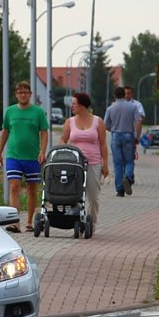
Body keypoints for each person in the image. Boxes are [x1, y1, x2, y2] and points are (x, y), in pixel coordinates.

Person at [0, 81, 49, 232]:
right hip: (13, 156)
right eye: (20, 92)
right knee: (14, 187)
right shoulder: (10, 111)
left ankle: (30, 221)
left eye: (26, 92)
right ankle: (14, 222)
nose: (23, 95)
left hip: (32, 157)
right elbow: (5, 132)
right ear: (16, 95)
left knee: (32, 189)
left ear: (30, 94)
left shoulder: (38, 112)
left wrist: (42, 151)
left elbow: (44, 132)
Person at [60, 92, 109, 235]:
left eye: (74, 104)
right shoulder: (70, 122)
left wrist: (105, 165)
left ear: (82, 105)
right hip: (74, 163)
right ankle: (76, 219)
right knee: (75, 194)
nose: (72, 106)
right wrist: (65, 148)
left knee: (93, 197)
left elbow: (103, 145)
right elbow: (63, 139)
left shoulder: (97, 121)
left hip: (93, 162)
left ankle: (91, 221)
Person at [104, 87, 141, 197]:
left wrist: (114, 130)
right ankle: (128, 178)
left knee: (117, 164)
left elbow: (106, 125)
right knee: (129, 161)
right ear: (124, 95)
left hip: (116, 135)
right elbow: (138, 122)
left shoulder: (110, 108)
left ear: (115, 95)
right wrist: (137, 137)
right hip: (129, 135)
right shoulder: (133, 107)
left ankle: (120, 190)